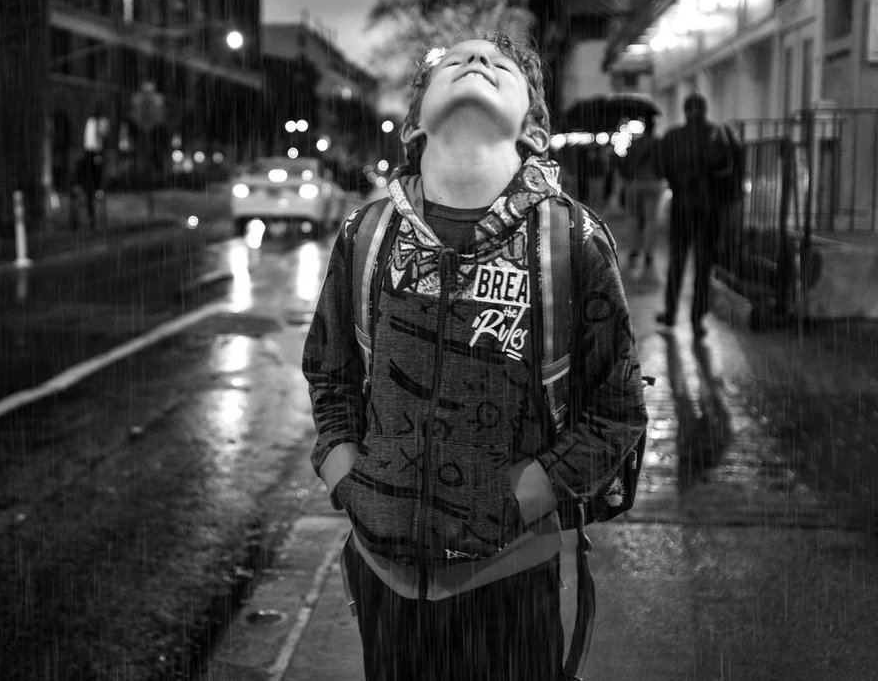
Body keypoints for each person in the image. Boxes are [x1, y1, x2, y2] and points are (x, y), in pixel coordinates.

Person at [302, 35, 649, 680]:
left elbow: (616, 409)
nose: (477, 62)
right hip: (384, 580)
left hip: (510, 581)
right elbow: (331, 373)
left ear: (535, 128)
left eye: (502, 65)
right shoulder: (366, 235)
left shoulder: (570, 243)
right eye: (453, 61)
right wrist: (345, 474)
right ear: (414, 123)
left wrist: (524, 496)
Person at [654, 93, 743, 337]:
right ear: (705, 109)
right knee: (704, 263)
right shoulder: (717, 134)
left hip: (682, 205)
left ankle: (671, 313)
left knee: (677, 261)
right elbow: (729, 167)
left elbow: (661, 168)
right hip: (709, 207)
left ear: (685, 110)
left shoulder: (673, 136)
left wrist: (678, 181)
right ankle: (697, 316)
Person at [616, 114, 665, 281]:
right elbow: (664, 164)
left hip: (636, 184)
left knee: (633, 218)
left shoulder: (635, 144)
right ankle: (649, 254)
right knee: (652, 220)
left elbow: (624, 163)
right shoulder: (659, 144)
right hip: (654, 184)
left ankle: (634, 250)